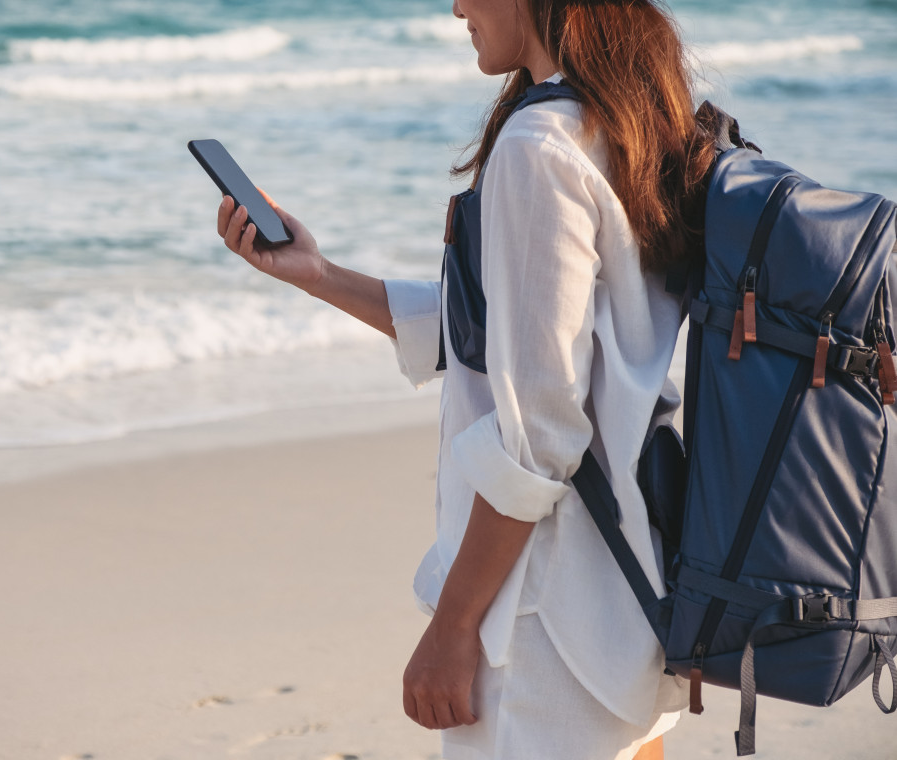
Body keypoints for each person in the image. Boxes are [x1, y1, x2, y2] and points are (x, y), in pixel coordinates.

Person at [214, 1, 718, 757]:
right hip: (627, 596)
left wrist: (452, 629)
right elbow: (493, 338)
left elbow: (540, 438)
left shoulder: (539, 146)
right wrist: (318, 275)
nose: (455, 6)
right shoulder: (626, 121)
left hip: (545, 627)